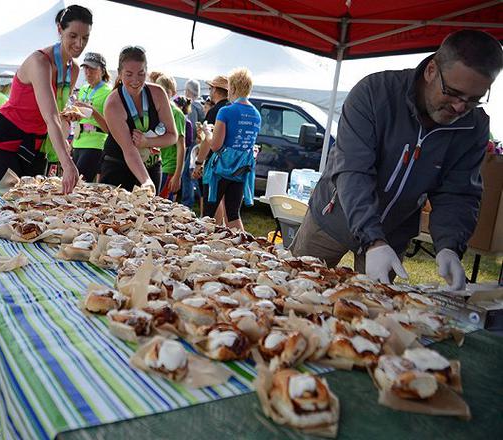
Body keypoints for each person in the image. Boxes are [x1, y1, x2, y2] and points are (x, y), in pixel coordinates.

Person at [290, 30, 503, 291]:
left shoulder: (473, 126)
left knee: (371, 315)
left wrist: (450, 246)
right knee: (294, 286)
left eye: (473, 100)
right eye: (453, 93)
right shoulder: (374, 93)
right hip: (333, 217)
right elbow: (353, 171)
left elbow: (458, 192)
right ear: (431, 70)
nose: (460, 107)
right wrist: (372, 240)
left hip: (394, 232)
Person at [0, 5, 92, 193]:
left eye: (85, 38)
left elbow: (57, 112)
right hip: (7, 138)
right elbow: (50, 116)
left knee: (34, 205)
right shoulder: (39, 62)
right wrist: (68, 163)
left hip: (37, 145)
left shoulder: (73, 69)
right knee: (11, 202)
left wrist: (68, 120)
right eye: (73, 36)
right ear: (59, 30)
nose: (79, 44)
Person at [99, 46, 177, 193]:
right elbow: (129, 150)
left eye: (141, 74)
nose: (135, 80)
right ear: (120, 73)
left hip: (152, 166)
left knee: (149, 214)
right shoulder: (113, 103)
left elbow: (172, 136)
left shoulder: (158, 93)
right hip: (118, 168)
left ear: (146, 71)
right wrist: (145, 180)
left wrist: (148, 142)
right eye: (129, 74)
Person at [198, 68, 261, 231]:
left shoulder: (226, 111)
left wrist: (207, 132)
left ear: (232, 88)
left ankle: (201, 250)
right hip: (241, 170)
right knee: (233, 214)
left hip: (220, 170)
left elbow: (216, 145)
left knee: (208, 214)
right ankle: (243, 248)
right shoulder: (256, 114)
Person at [193, 75, 230, 223]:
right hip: (229, 162)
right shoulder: (230, 109)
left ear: (215, 89)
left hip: (214, 162)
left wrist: (198, 162)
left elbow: (206, 141)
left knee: (211, 202)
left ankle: (212, 232)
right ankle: (222, 231)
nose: (209, 91)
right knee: (226, 204)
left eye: (210, 88)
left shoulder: (215, 111)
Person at [71, 52, 111, 182]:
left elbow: (109, 128)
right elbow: (81, 117)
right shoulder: (83, 89)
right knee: (74, 184)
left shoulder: (109, 92)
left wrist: (92, 110)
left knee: (77, 184)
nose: (88, 72)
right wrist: (73, 115)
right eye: (86, 68)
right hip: (77, 141)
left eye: (92, 68)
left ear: (102, 70)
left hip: (96, 144)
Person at [153, 74, 186, 199]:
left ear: (173, 93)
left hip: (168, 166)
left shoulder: (176, 113)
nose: (162, 95)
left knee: (161, 205)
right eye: (159, 90)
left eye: (166, 92)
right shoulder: (156, 109)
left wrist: (177, 175)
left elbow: (181, 146)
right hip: (156, 162)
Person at [180, 79, 205, 208]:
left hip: (193, 145)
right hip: (198, 144)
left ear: (189, 91)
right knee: (193, 175)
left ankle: (186, 204)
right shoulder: (201, 105)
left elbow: (192, 128)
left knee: (187, 175)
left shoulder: (193, 106)